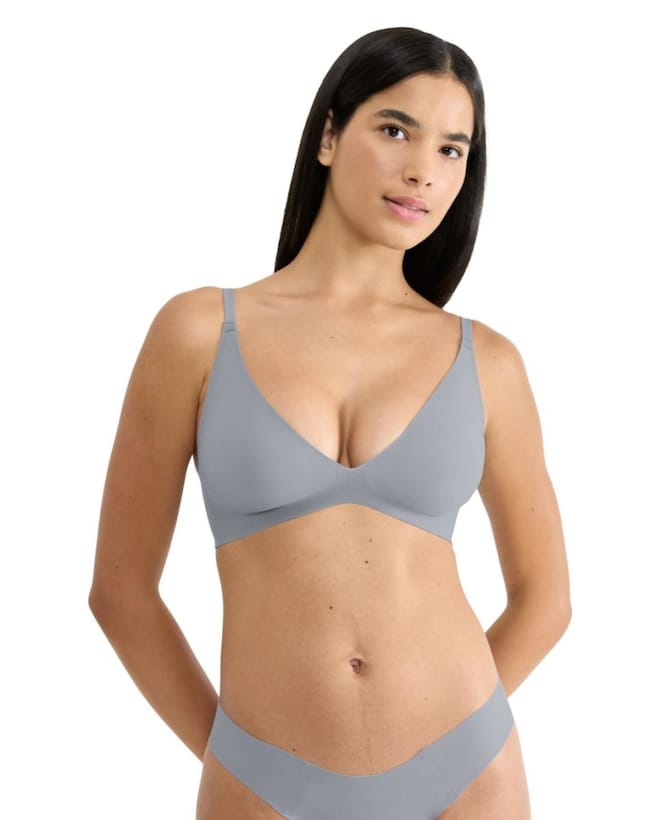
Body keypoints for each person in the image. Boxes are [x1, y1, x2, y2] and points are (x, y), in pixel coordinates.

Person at [88, 26, 572, 820]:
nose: (422, 170)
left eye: (451, 149)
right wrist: (231, 752)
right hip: (263, 776)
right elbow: (120, 592)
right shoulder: (199, 332)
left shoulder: (486, 360)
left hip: (467, 772)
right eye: (395, 130)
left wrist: (460, 731)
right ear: (327, 135)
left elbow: (545, 597)